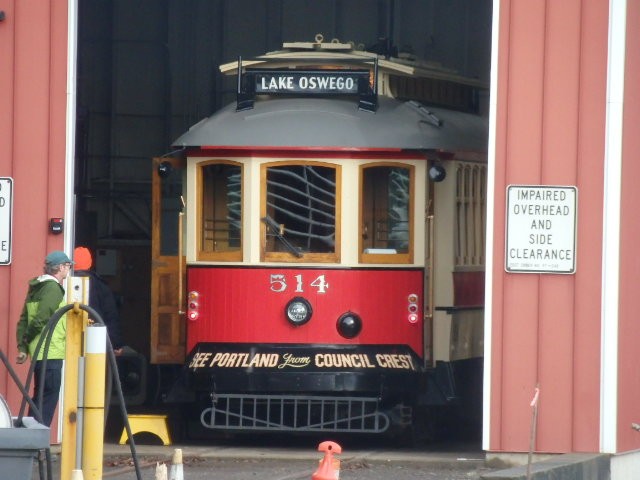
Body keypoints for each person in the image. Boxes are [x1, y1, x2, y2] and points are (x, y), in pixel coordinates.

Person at [15, 250, 73, 426]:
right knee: (47, 399)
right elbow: (42, 318)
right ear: (60, 267)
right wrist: (25, 341)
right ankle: (39, 444)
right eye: (68, 266)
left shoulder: (36, 287)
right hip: (51, 352)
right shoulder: (53, 289)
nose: (68, 270)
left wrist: (23, 347)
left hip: (38, 353)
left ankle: (31, 440)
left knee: (39, 397)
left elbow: (24, 319)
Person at [73, 246, 125, 354]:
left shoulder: (64, 283)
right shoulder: (101, 286)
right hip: (96, 340)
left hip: (70, 339)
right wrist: (115, 344)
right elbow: (111, 317)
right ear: (90, 263)